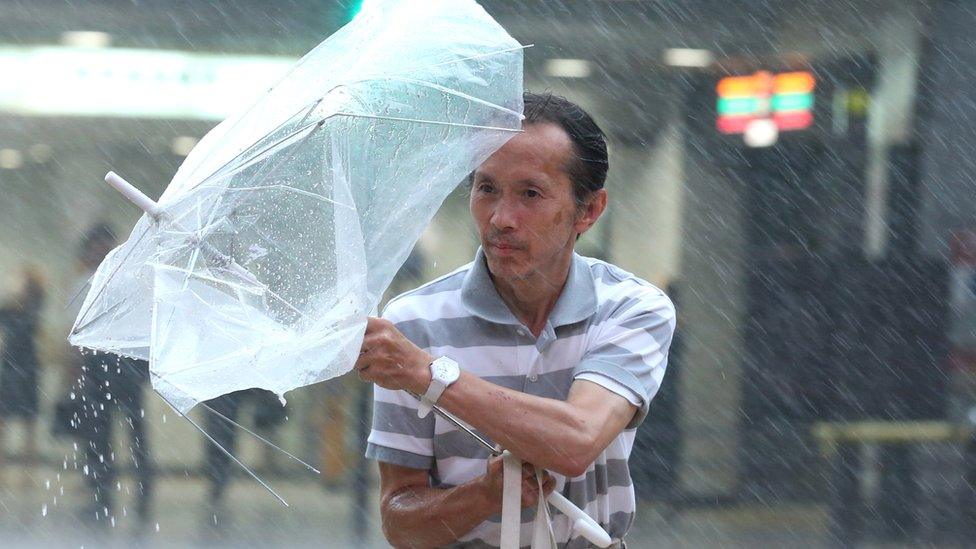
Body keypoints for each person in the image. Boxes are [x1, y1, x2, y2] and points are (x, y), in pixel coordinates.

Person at [360, 92, 676, 547]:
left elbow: (576, 440)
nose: (501, 218)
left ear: (588, 210)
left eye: (530, 193)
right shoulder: (416, 323)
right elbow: (401, 524)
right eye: (486, 188)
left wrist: (427, 373)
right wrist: (485, 495)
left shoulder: (631, 307)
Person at [68, 223, 154, 528]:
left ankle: (142, 485)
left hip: (124, 364)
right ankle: (102, 490)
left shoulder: (128, 281)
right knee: (99, 433)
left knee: (134, 429)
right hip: (97, 366)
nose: (99, 252)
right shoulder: (84, 282)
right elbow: (75, 334)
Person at [0, 267, 46, 485]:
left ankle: (28, 472)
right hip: (10, 365)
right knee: (4, 420)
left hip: (27, 366)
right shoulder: (9, 308)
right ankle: (4, 468)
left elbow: (32, 323)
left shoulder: (34, 306)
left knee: (29, 421)